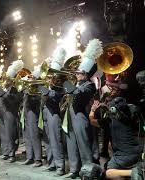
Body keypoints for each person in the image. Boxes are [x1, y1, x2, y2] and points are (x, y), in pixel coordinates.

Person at [89, 75, 143, 179]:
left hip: (124, 156)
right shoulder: (130, 114)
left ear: (113, 110)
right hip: (137, 152)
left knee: (108, 172)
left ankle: (134, 173)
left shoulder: (109, 121)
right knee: (110, 146)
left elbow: (91, 120)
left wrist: (93, 109)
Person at [63, 39, 102, 179]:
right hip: (70, 117)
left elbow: (79, 94)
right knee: (72, 144)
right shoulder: (78, 83)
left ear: (85, 74)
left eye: (79, 72)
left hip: (81, 118)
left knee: (84, 146)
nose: (76, 74)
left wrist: (69, 86)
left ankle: (88, 170)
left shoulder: (89, 85)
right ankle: (74, 170)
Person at [0, 60, 23, 163]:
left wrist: (4, 94)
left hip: (10, 113)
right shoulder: (4, 87)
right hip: (3, 111)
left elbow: (15, 100)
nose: (6, 80)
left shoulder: (15, 89)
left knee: (11, 133)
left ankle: (12, 153)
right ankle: (6, 152)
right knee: (3, 133)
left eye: (8, 79)